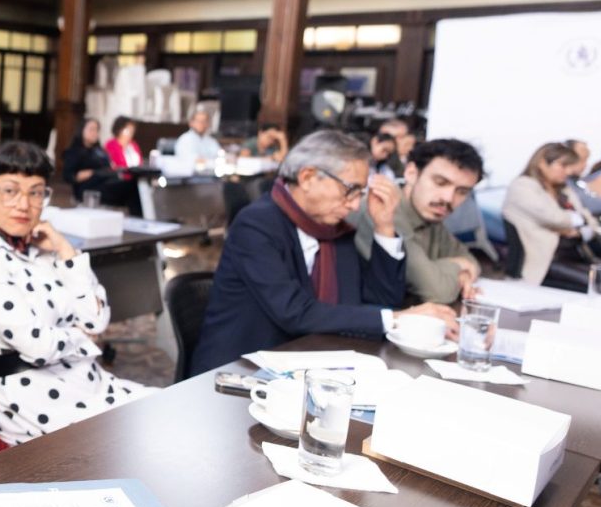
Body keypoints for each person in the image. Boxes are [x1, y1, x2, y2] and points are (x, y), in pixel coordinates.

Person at [191, 130, 455, 374]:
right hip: (239, 370)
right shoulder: (257, 225)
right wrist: (397, 319)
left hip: (313, 364)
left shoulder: (334, 231)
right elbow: (295, 312)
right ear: (307, 178)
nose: (355, 206)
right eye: (350, 191)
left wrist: (385, 226)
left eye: (360, 193)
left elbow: (380, 299)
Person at [0, 141, 146, 446]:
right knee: (146, 438)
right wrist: (82, 338)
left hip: (89, 383)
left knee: (171, 413)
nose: (23, 204)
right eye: (10, 190)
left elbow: (96, 320)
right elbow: (39, 346)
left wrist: (65, 249)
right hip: (32, 399)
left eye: (36, 192)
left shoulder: (43, 246)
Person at [351, 138, 484, 306]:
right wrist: (458, 266)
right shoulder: (381, 209)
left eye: (462, 191)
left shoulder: (430, 215)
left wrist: (458, 270)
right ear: (411, 173)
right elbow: (437, 291)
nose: (448, 198)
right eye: (440, 183)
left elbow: (471, 261)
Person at [503, 142, 597, 286]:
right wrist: (577, 221)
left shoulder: (563, 190)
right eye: (563, 166)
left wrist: (577, 231)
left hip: (576, 255)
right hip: (547, 261)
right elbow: (553, 218)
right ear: (542, 163)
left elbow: (591, 221)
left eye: (569, 166)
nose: (568, 172)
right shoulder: (522, 186)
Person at [60, 117, 137, 209]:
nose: (95, 133)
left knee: (134, 186)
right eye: (91, 129)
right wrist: (92, 173)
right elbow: (68, 176)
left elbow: (109, 167)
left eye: (97, 130)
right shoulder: (75, 152)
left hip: (107, 182)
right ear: (81, 130)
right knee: (130, 187)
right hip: (89, 188)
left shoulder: (99, 151)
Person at [563, 139, 601, 215]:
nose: (585, 165)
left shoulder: (576, 182)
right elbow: (589, 204)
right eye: (582, 159)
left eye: (586, 160)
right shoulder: (563, 182)